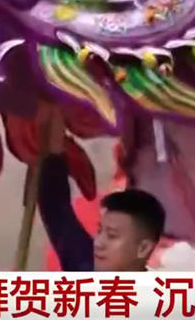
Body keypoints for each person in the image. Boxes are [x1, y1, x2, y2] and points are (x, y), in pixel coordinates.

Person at [36, 106, 166, 271]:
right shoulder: (85, 265)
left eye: (112, 236)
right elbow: (56, 209)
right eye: (99, 231)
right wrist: (54, 147)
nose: (98, 243)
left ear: (143, 248)